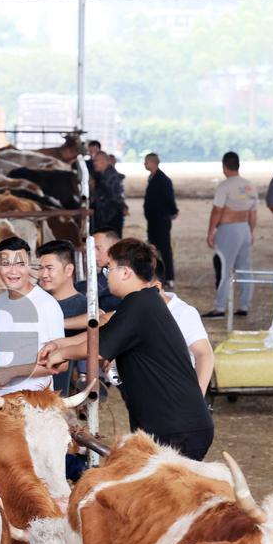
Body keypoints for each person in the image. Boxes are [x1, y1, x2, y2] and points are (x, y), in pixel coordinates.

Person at [38, 239, 214, 461]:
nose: (106, 275)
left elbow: (98, 349)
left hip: (175, 426)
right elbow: (102, 333)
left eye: (108, 268)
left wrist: (61, 354)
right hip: (172, 423)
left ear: (125, 272)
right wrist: (59, 344)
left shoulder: (139, 305)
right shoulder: (142, 303)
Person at [0, 236, 65, 394]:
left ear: (29, 266)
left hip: (35, 399)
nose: (13, 271)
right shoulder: (0, 301)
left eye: (20, 264)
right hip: (3, 399)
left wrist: (13, 371)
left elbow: (61, 364)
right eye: (6, 264)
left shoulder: (47, 305)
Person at [203, 151, 257, 319]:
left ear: (225, 167)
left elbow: (217, 210)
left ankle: (219, 307)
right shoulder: (249, 185)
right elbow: (253, 212)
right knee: (244, 268)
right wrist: (251, 231)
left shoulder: (225, 186)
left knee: (224, 267)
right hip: (244, 228)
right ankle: (244, 305)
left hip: (228, 229)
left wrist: (211, 231)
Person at [152, 259, 214, 395]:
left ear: (156, 286)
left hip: (176, 399)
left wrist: (197, 400)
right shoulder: (133, 310)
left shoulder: (183, 313)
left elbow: (204, 355)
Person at [36, 239, 87, 395]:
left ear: (68, 270)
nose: (43, 274)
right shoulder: (34, 301)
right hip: (26, 388)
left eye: (49, 268)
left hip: (60, 392)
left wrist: (57, 323)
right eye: (40, 268)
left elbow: (101, 319)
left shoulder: (83, 306)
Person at [143, 152, 178, 287]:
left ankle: (169, 277)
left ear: (153, 163)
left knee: (165, 248)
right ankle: (156, 274)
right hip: (153, 220)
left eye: (146, 161)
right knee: (153, 248)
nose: (145, 164)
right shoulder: (152, 177)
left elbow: (169, 198)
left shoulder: (163, 179)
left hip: (161, 219)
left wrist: (173, 211)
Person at [73, 229, 121, 315]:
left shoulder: (118, 275)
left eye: (98, 248)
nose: (93, 253)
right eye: (91, 249)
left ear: (114, 246)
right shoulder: (105, 272)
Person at [89, 151, 127, 237]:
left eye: (96, 161)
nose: (94, 163)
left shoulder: (112, 176)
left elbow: (117, 197)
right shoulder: (102, 175)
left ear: (103, 161)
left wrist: (123, 207)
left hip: (110, 218)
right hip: (105, 217)